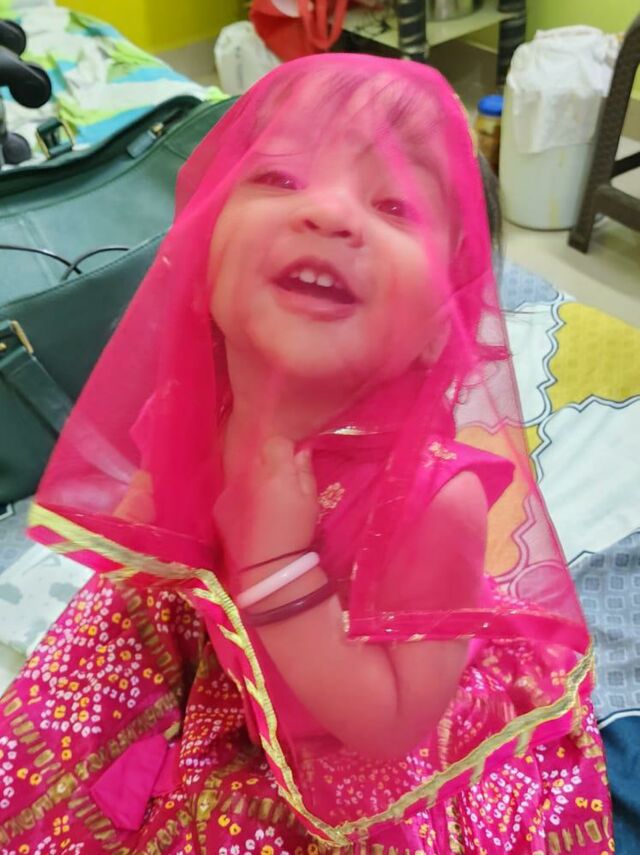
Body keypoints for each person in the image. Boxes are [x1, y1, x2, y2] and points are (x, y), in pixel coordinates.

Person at [0, 55, 612, 854]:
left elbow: (392, 728)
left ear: (442, 324)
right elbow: (158, 500)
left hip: (344, 726)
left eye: (392, 203)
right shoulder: (200, 399)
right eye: (281, 178)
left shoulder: (434, 500)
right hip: (214, 648)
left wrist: (277, 568)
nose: (327, 212)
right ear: (201, 257)